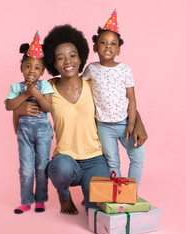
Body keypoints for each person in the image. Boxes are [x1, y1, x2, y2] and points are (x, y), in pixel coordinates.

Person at [14, 25, 148, 215]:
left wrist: (138, 123)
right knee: (62, 168)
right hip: (65, 159)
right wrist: (19, 109)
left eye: (72, 55)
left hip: (95, 159)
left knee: (97, 208)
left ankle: (89, 190)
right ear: (54, 63)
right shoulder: (48, 88)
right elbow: (19, 100)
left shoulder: (92, 83)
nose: (68, 61)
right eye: (61, 57)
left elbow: (119, 101)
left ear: (81, 57)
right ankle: (64, 194)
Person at [82, 10, 146, 188]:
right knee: (113, 163)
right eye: (102, 42)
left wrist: (132, 124)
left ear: (118, 49)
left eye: (112, 43)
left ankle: (132, 190)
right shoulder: (91, 69)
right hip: (104, 126)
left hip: (125, 122)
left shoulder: (125, 70)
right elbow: (79, 87)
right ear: (95, 47)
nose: (107, 46)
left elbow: (131, 99)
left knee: (138, 157)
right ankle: (118, 193)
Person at [4, 32, 54, 214]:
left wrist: (37, 94)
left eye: (36, 67)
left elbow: (48, 108)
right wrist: (25, 94)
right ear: (22, 68)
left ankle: (40, 200)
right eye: (28, 66)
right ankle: (26, 201)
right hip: (24, 133)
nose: (32, 70)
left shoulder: (45, 86)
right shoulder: (16, 88)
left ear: (42, 71)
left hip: (43, 133)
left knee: (41, 167)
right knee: (26, 168)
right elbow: (9, 106)